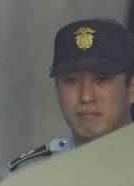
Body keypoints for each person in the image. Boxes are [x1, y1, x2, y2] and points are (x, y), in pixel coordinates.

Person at [8, 18, 134, 173]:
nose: (86, 96)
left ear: (132, 87)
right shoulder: (29, 175)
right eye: (71, 80)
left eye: (102, 79)